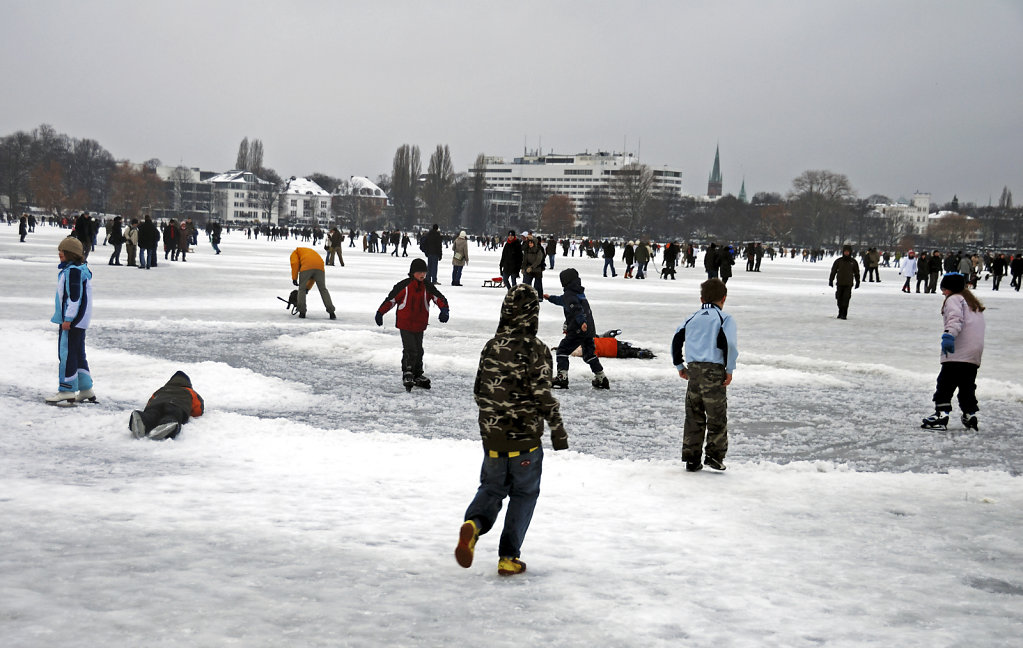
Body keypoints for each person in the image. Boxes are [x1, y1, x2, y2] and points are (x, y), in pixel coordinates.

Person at [454, 284, 568, 576]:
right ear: (533, 315)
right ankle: (508, 557)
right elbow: (542, 395)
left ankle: (473, 526)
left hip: (493, 438)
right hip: (525, 441)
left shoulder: (491, 346)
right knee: (524, 493)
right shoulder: (537, 349)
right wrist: (557, 429)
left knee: (492, 488)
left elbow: (480, 391)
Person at [670, 278, 738, 472]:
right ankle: (714, 456)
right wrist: (729, 369)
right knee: (716, 415)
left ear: (701, 299)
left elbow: (676, 340)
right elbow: (730, 345)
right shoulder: (724, 319)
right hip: (714, 371)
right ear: (724, 298)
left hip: (693, 371)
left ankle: (692, 459)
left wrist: (679, 365)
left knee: (694, 415)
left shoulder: (691, 318)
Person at [921, 273, 985, 431]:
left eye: (944, 289)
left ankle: (941, 415)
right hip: (973, 354)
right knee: (967, 386)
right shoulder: (972, 303)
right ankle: (970, 414)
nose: (942, 292)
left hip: (958, 351)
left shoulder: (954, 299)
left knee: (945, 384)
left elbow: (955, 319)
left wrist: (949, 335)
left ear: (950, 289)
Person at [374, 258, 449, 391]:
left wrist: (444, 310)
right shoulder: (404, 285)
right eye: (420, 272)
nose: (422, 275)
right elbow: (391, 300)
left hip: (420, 324)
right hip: (405, 323)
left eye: (424, 272)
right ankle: (408, 372)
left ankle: (417, 374)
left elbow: (440, 298)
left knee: (419, 350)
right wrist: (380, 312)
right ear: (412, 272)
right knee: (411, 349)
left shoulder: (427, 286)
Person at [45, 237, 95, 405]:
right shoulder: (78, 269)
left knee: (66, 353)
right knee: (78, 353)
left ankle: (67, 390)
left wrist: (68, 319)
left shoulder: (73, 271)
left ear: (71, 254)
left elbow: (74, 298)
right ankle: (86, 388)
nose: (60, 253)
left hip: (73, 321)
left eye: (63, 252)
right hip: (80, 321)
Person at [543, 268, 610, 390]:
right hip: (589, 330)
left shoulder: (570, 295)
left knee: (562, 350)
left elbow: (576, 309)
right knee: (589, 354)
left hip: (578, 329)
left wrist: (582, 322)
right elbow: (562, 300)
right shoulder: (578, 293)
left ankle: (562, 378)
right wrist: (550, 298)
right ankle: (601, 378)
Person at [128, 370, 205, 440]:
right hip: (176, 405)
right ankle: (167, 424)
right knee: (172, 415)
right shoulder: (190, 392)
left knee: (152, 414)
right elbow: (198, 409)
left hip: (156, 404)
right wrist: (190, 412)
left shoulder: (162, 389)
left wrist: (149, 410)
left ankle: (143, 418)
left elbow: (150, 401)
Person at [290, 246, 336, 319]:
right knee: (323, 289)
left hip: (306, 266)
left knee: (301, 289)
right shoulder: (308, 252)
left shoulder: (295, 253)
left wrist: (294, 278)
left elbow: (295, 264)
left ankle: (302, 312)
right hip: (320, 266)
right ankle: (331, 312)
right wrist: (307, 288)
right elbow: (313, 277)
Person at [828, 245, 860, 319]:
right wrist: (831, 280)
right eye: (845, 252)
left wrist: (858, 281)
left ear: (850, 252)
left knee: (846, 299)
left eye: (847, 252)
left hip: (848, 284)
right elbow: (833, 271)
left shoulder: (853, 262)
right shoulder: (838, 261)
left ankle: (844, 314)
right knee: (839, 299)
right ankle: (840, 311)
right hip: (840, 283)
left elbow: (856, 273)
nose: (846, 253)